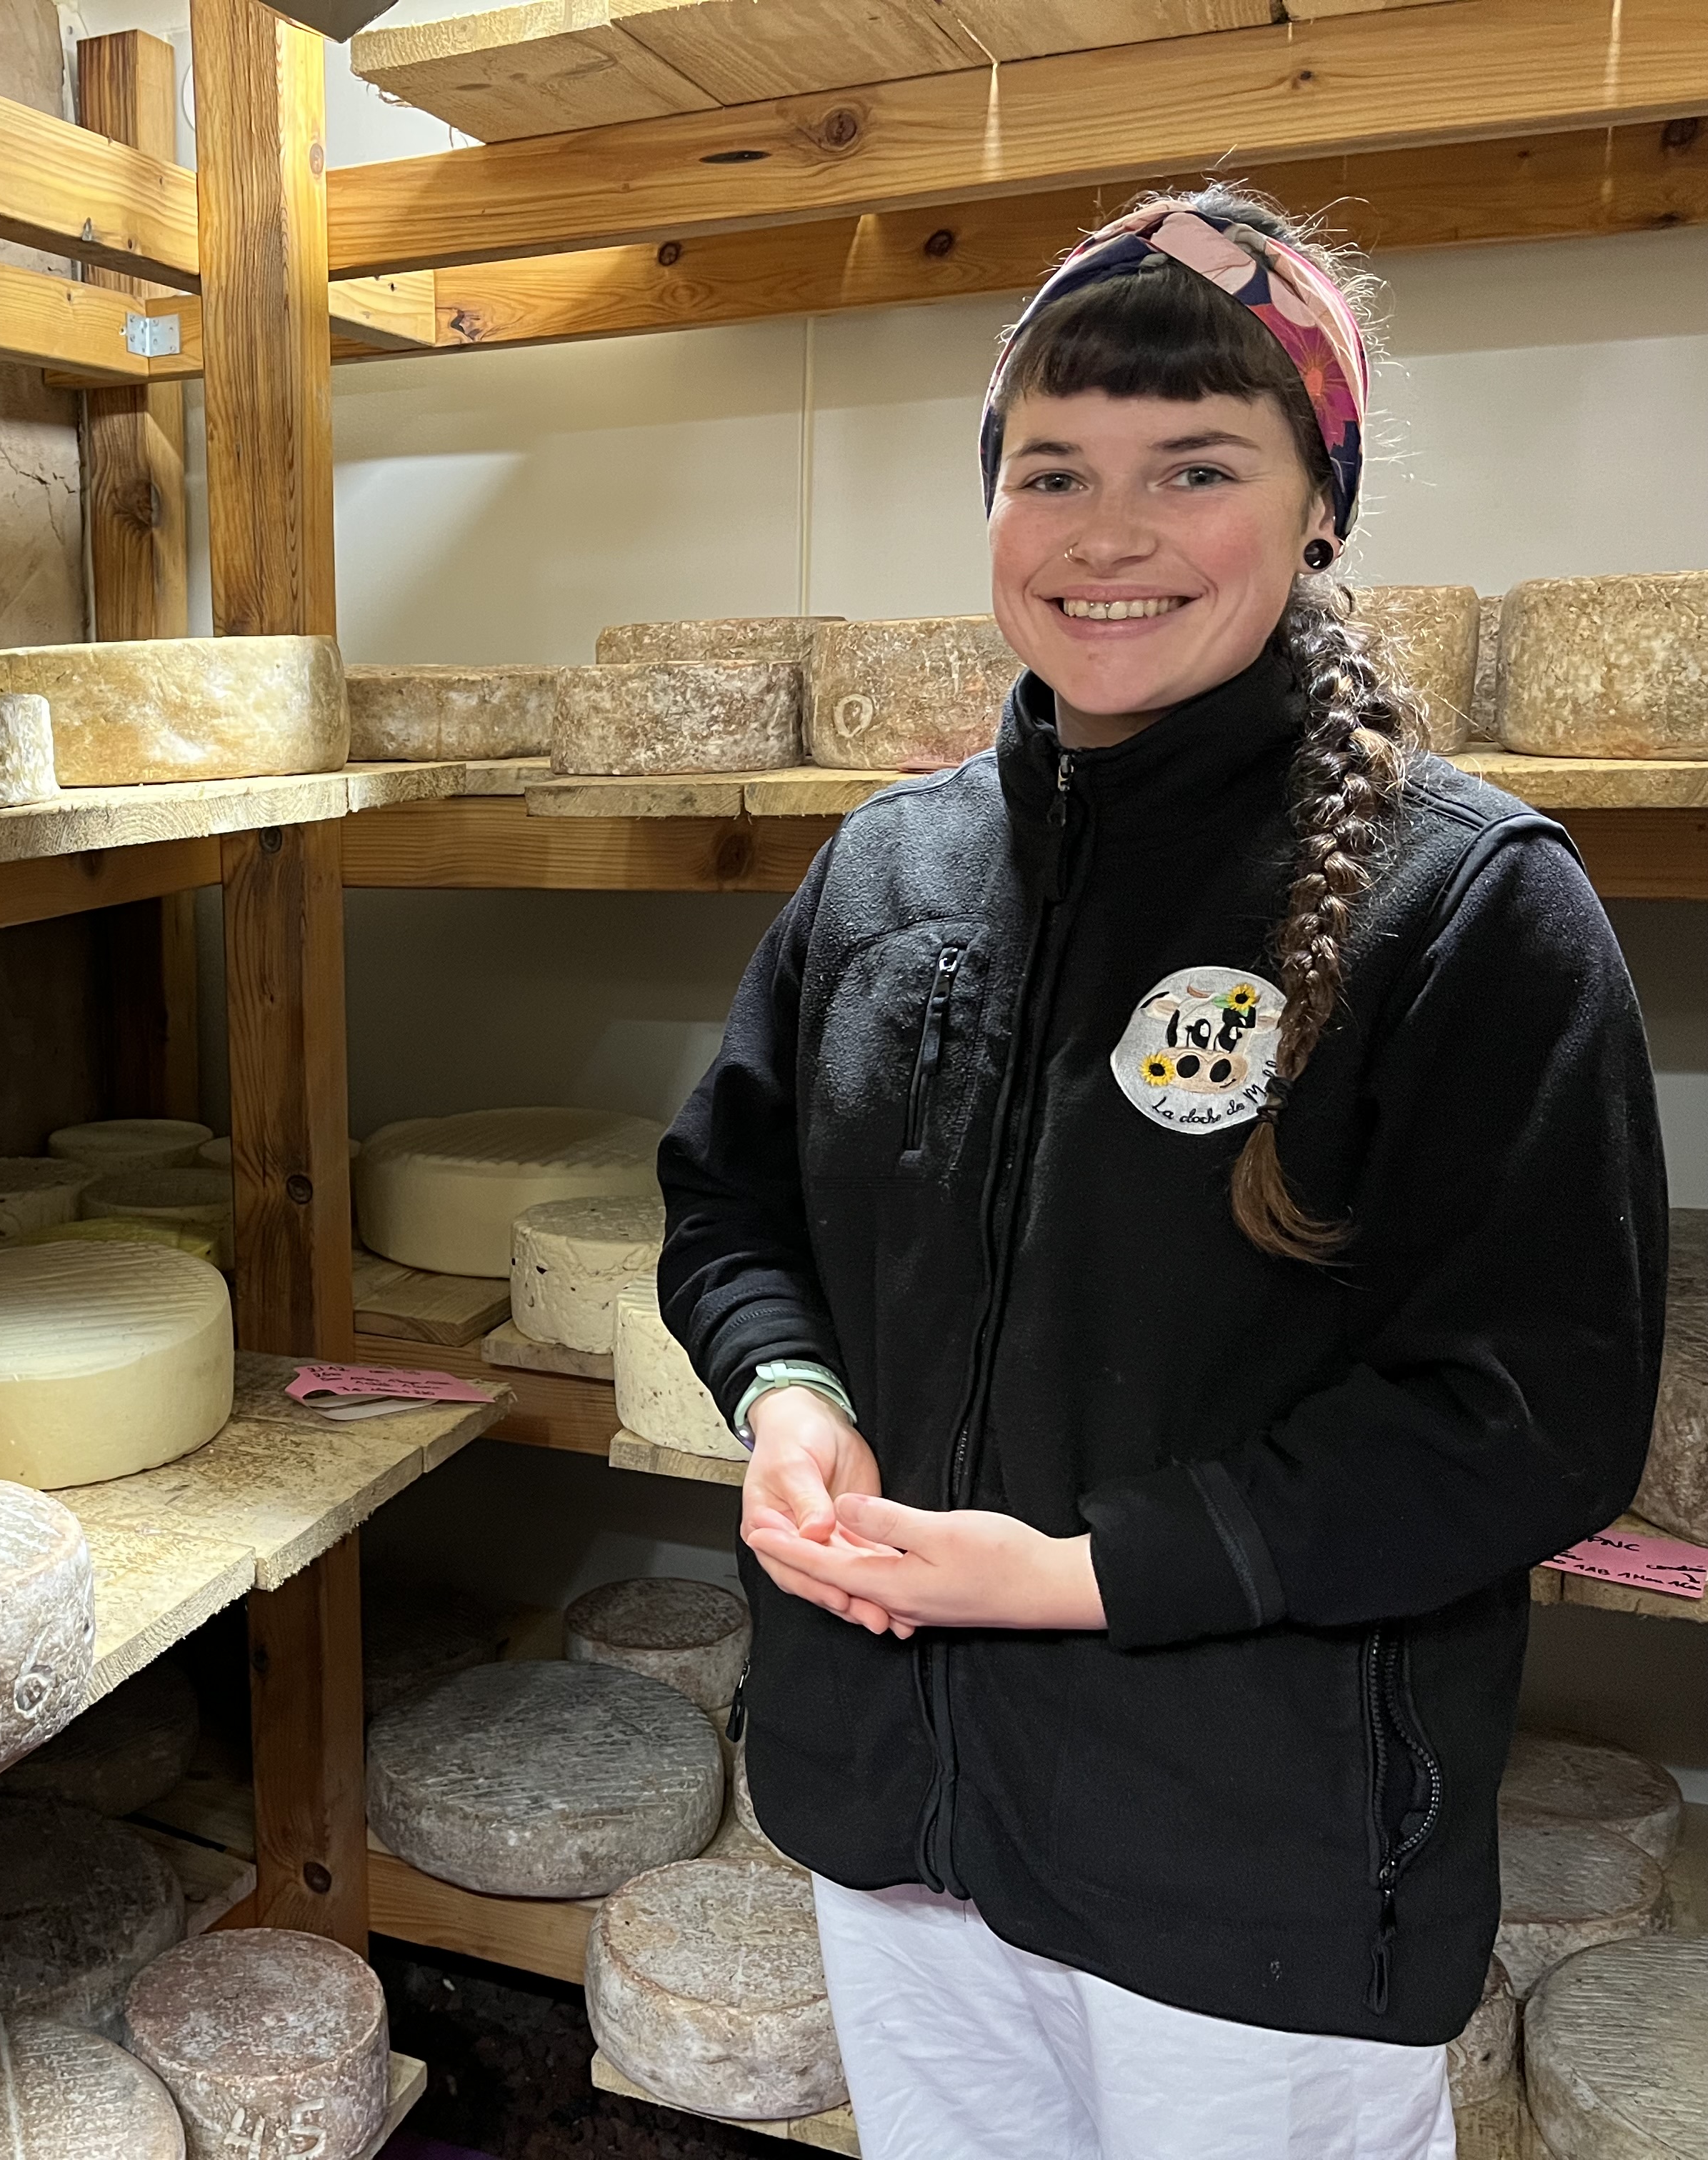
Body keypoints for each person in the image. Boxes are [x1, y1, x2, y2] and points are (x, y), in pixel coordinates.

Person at [655, 185, 1666, 2159]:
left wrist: (1074, 1578)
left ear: (1319, 507)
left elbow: (1527, 1418)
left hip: (1245, 1873)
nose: (1107, 534)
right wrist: (787, 1395)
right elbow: (733, 1203)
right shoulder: (889, 870)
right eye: (1052, 471)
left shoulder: (1473, 908)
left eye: (1195, 467)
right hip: (899, 1818)